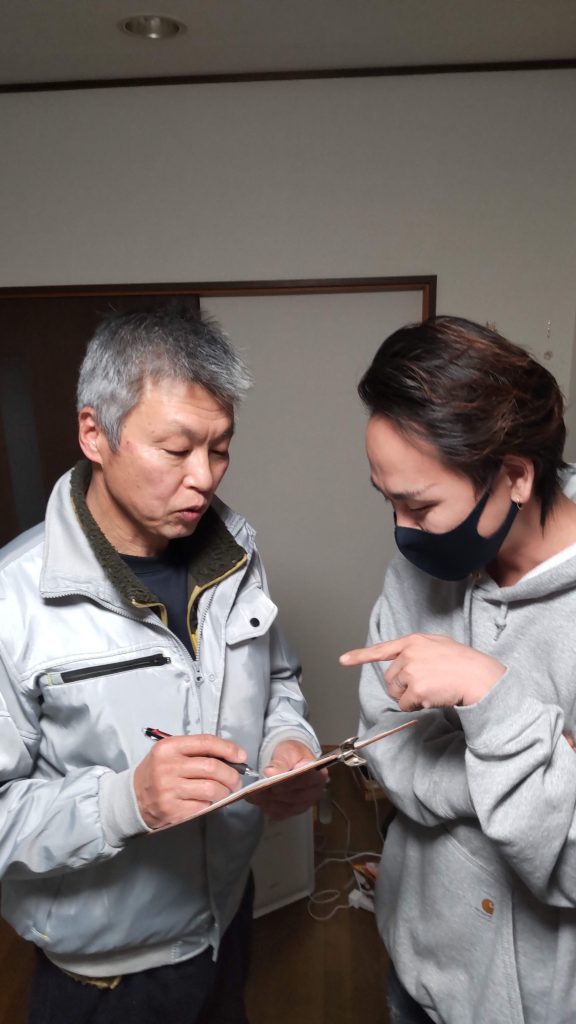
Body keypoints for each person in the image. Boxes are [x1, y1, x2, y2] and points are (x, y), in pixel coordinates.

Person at [0, 305, 325, 1024]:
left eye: (221, 449)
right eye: (176, 450)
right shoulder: (12, 601)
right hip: (104, 977)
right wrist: (125, 803)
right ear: (95, 434)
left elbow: (277, 681)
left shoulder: (237, 557)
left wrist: (287, 743)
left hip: (225, 924)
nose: (204, 478)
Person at [339, 315, 576, 1024]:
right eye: (388, 501)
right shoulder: (412, 575)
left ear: (516, 475)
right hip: (417, 963)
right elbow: (385, 748)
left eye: (420, 505)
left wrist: (489, 697)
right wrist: (544, 767)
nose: (401, 532)